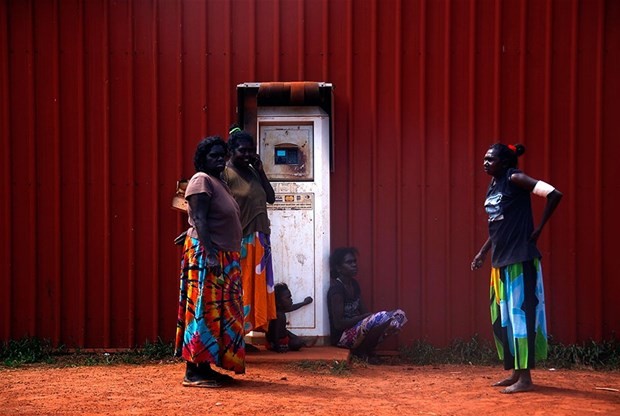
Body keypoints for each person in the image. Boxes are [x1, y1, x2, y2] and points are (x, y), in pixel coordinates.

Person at [471, 143, 562, 394]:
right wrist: (482, 252)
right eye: (484, 159)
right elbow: (498, 225)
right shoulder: (495, 184)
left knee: (520, 318)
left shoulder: (515, 177)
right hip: (499, 261)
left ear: (505, 163)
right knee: (504, 321)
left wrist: (539, 228)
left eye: (491, 159)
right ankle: (515, 373)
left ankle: (526, 379)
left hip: (520, 259)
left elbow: (554, 194)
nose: (485, 163)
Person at [175, 136, 245, 388]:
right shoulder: (201, 180)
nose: (219, 159)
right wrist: (212, 253)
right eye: (212, 155)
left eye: (221, 155)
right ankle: (193, 372)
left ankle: (205, 367)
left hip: (223, 256)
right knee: (204, 311)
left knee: (218, 313)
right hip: (209, 256)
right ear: (202, 159)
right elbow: (200, 219)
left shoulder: (218, 182)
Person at [223, 126, 277, 335]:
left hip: (261, 238)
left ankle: (245, 336)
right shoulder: (225, 174)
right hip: (242, 239)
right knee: (241, 289)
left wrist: (261, 171)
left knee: (256, 290)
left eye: (250, 150)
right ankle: (235, 336)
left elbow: (270, 197)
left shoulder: (253, 171)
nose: (247, 155)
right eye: (242, 151)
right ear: (231, 151)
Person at [327, 247, 408, 363]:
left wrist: (374, 320)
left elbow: (364, 311)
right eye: (349, 262)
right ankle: (362, 353)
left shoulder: (354, 285)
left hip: (357, 331)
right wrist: (367, 318)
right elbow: (338, 324)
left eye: (355, 261)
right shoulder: (336, 289)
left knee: (399, 315)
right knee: (380, 318)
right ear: (338, 268)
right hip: (342, 338)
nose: (354, 265)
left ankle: (365, 352)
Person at [266, 282, 315, 352]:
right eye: (288, 297)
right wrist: (277, 347)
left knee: (293, 337)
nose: (291, 299)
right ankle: (286, 346)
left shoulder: (280, 310)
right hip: (276, 341)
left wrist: (304, 303)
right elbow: (275, 333)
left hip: (282, 336)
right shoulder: (278, 315)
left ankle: (302, 341)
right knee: (297, 343)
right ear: (278, 302)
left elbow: (291, 308)